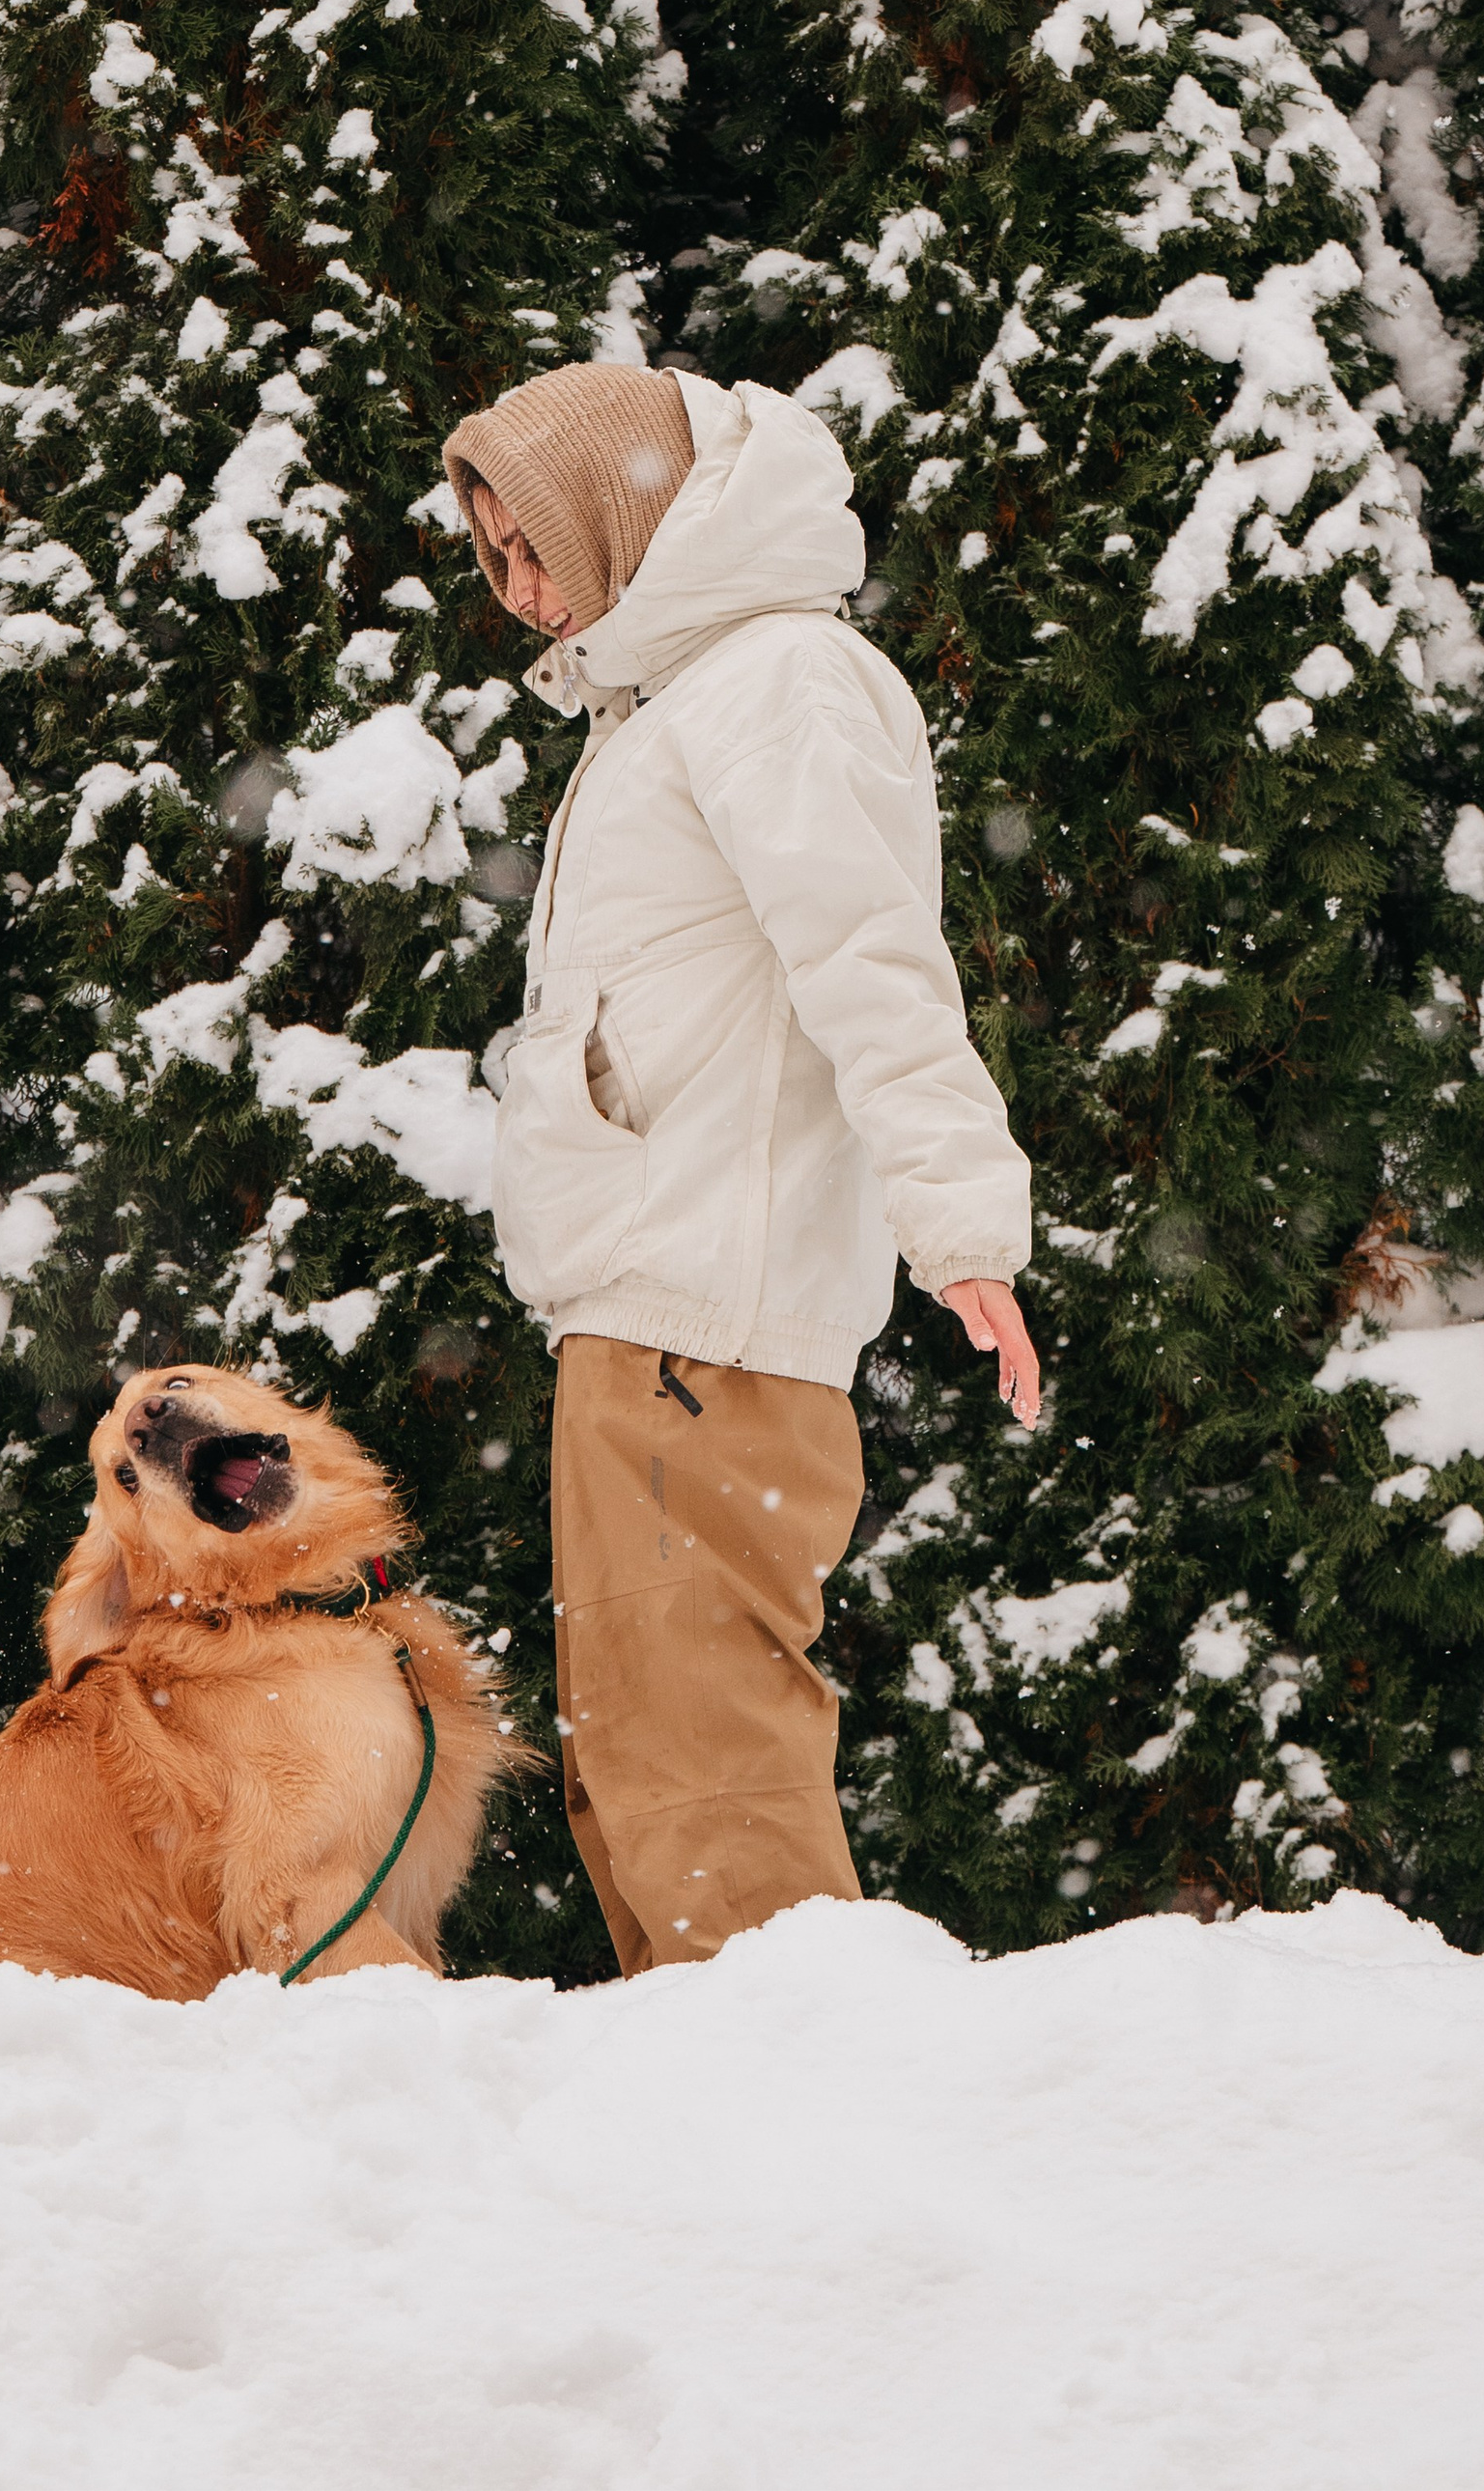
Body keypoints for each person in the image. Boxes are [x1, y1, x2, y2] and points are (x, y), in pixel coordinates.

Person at [441, 360, 1038, 1974]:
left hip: (710, 1324)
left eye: (535, 544)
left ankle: (811, 2164)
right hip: (647, 1317)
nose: (520, 592)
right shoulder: (679, 702)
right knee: (638, 1776)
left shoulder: (779, 680)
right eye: (490, 558)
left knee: (705, 1787)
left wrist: (961, 1219)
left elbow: (875, 961)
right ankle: (706, 2166)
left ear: (624, 511)